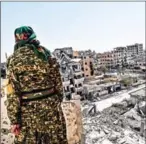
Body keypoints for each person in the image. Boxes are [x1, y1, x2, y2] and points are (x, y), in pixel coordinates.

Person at [6, 26, 68, 144]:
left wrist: (14, 120)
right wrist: (56, 101)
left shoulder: (13, 60)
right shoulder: (46, 54)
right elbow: (58, 83)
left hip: (28, 114)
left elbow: (12, 92)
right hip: (51, 108)